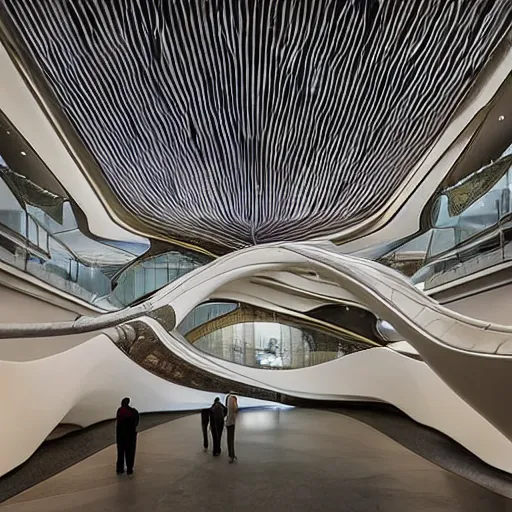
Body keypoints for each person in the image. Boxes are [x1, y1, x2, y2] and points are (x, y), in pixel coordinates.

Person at [116, 397, 139, 475]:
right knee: (130, 453)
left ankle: (120, 469)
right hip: (131, 436)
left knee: (120, 453)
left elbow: (118, 423)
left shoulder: (120, 411)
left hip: (121, 436)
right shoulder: (134, 412)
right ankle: (129, 469)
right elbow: (136, 423)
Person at [225, 394, 238, 463]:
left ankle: (231, 455)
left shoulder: (230, 398)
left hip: (230, 422)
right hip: (231, 423)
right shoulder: (232, 399)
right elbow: (234, 409)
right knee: (230, 440)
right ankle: (231, 455)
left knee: (230, 440)